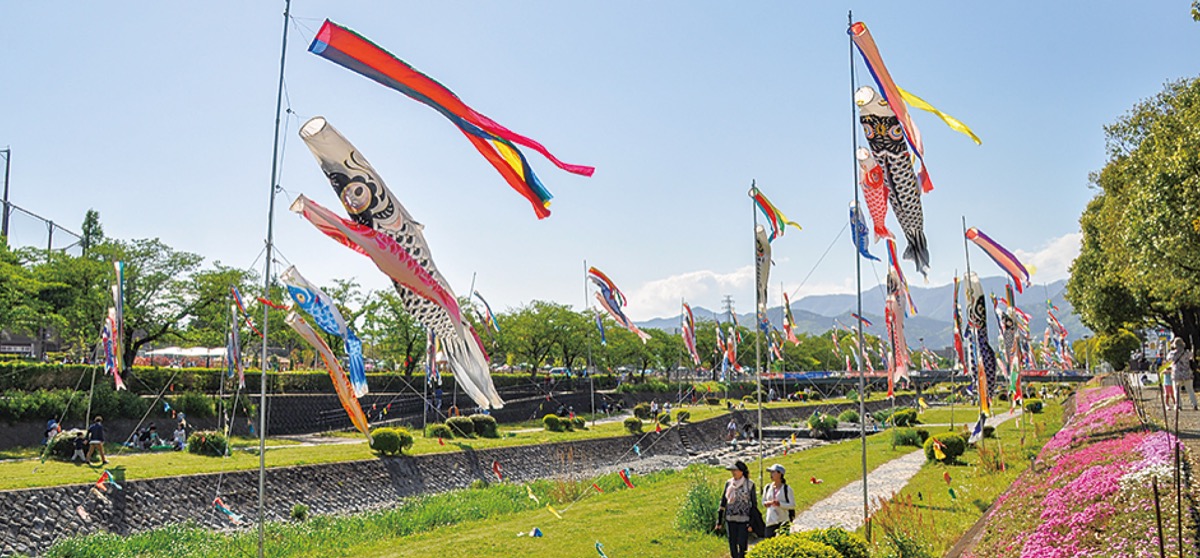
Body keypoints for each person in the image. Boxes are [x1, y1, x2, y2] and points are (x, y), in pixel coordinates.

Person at [715, 460, 757, 558]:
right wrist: (719, 520)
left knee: (742, 543)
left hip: (744, 519)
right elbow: (723, 501)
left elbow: (753, 504)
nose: (733, 472)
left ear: (742, 471)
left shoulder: (749, 484)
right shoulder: (729, 483)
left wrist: (752, 522)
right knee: (732, 542)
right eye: (732, 470)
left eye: (735, 470)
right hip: (730, 518)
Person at [762, 464, 795, 537]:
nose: (771, 474)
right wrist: (766, 503)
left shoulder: (787, 489)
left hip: (783, 519)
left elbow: (792, 505)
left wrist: (780, 504)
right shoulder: (767, 487)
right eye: (770, 472)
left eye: (773, 472)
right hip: (771, 519)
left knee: (784, 540)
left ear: (780, 474)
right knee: (768, 540)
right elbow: (763, 501)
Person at [1168, 338, 1197, 411]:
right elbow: (1191, 356)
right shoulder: (1187, 352)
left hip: (1177, 374)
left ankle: (1179, 405)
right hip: (1187, 373)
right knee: (1190, 390)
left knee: (1176, 391)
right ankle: (1194, 404)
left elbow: (1168, 359)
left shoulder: (1172, 353)